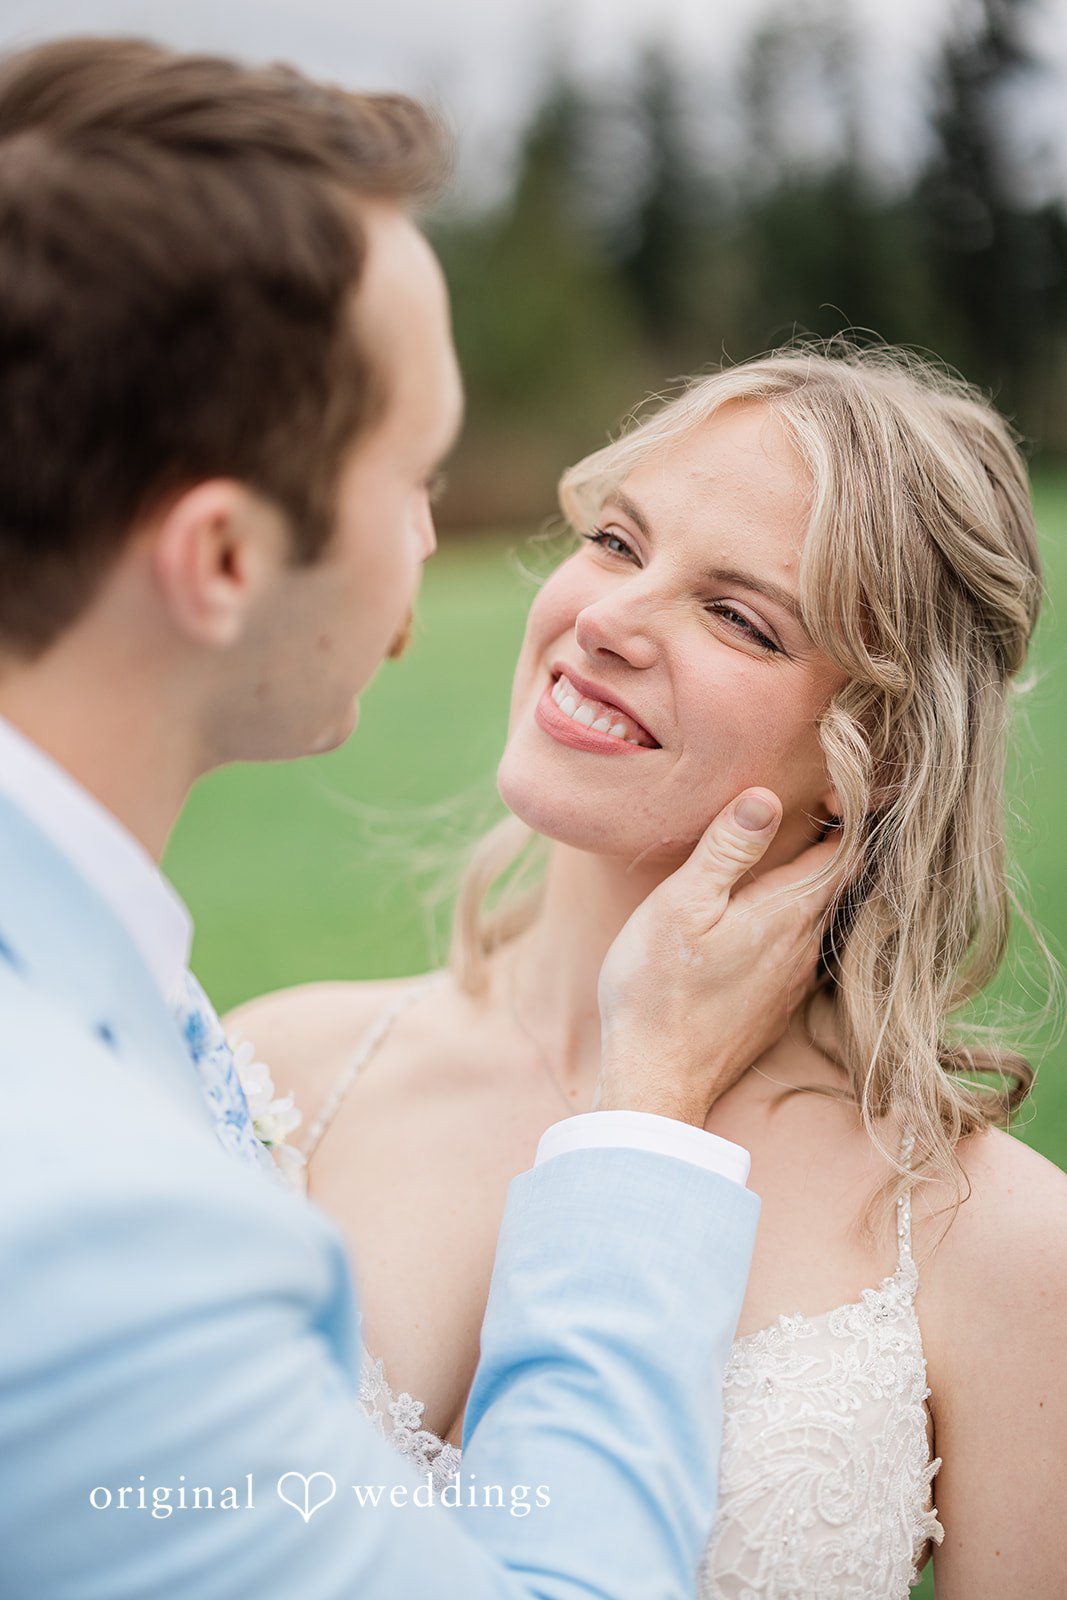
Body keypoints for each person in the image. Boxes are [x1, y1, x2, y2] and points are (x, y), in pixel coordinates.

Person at [0, 36, 847, 1600]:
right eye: (418, 477)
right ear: (227, 562)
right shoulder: (79, 1218)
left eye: (739, 614)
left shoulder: (121, 1023)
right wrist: (643, 1116)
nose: (450, 547)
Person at [236, 346, 1067, 1597]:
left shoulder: (992, 1242)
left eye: (737, 616)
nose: (604, 618)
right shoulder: (272, 1074)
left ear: (878, 754)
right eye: (618, 543)